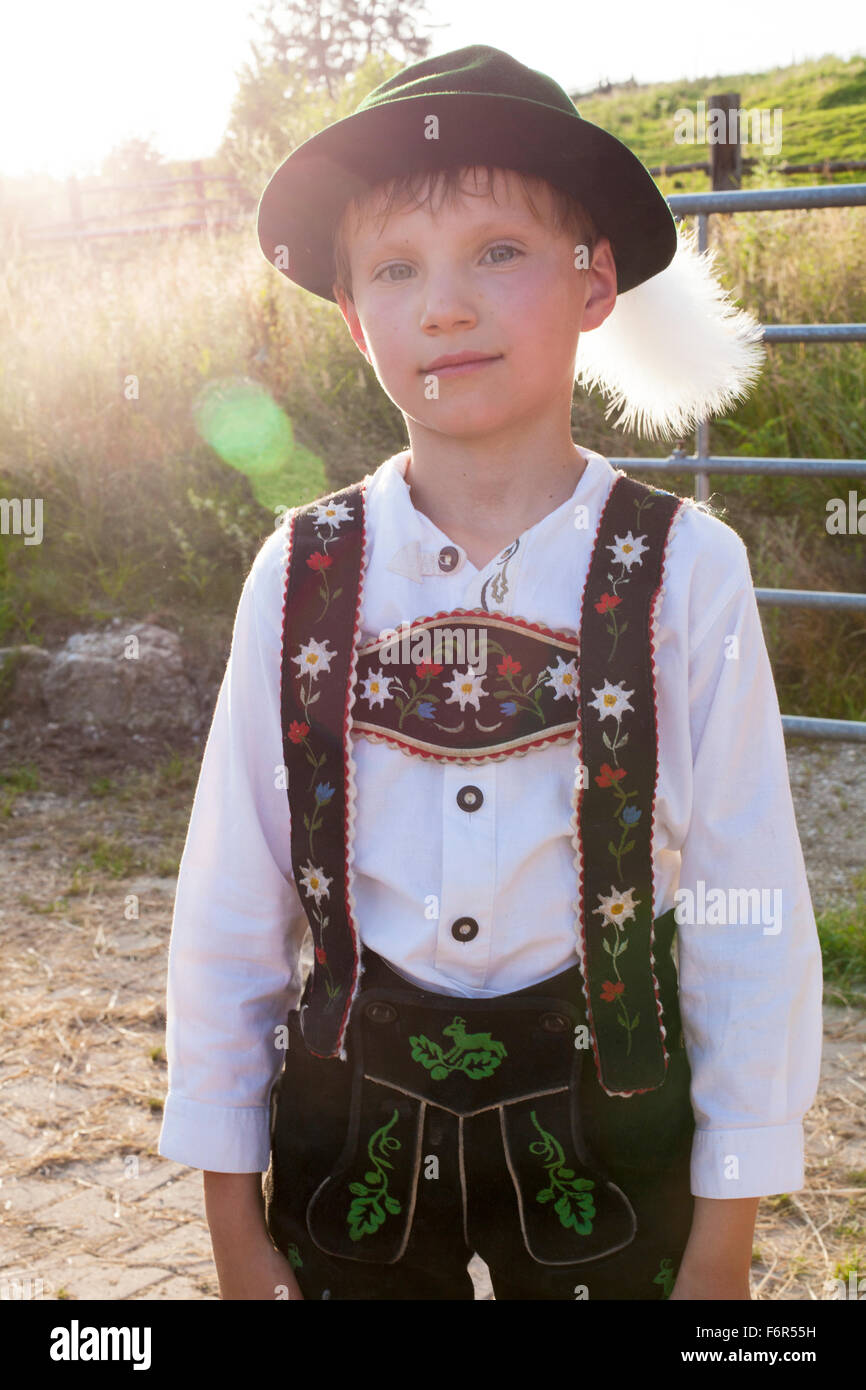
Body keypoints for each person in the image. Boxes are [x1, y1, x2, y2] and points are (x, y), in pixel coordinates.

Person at [158, 45, 823, 1301]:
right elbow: (232, 910)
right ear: (353, 317)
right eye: (396, 269)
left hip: (615, 1148)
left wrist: (724, 1232)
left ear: (593, 283)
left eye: (497, 253)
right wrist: (232, 1231)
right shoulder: (299, 573)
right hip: (345, 1146)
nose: (443, 307)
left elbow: (748, 907)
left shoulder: (685, 571)